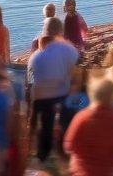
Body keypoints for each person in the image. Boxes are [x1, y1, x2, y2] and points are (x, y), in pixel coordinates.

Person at [28, 17, 79, 164]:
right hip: (62, 96)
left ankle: (43, 157)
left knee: (45, 128)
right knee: (80, 102)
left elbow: (30, 82)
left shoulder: (35, 56)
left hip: (41, 99)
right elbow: (74, 72)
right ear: (60, 32)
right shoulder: (68, 49)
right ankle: (66, 150)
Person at [63, 77, 113, 176]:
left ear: (92, 94)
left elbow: (69, 146)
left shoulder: (81, 117)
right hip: (106, 172)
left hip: (81, 172)